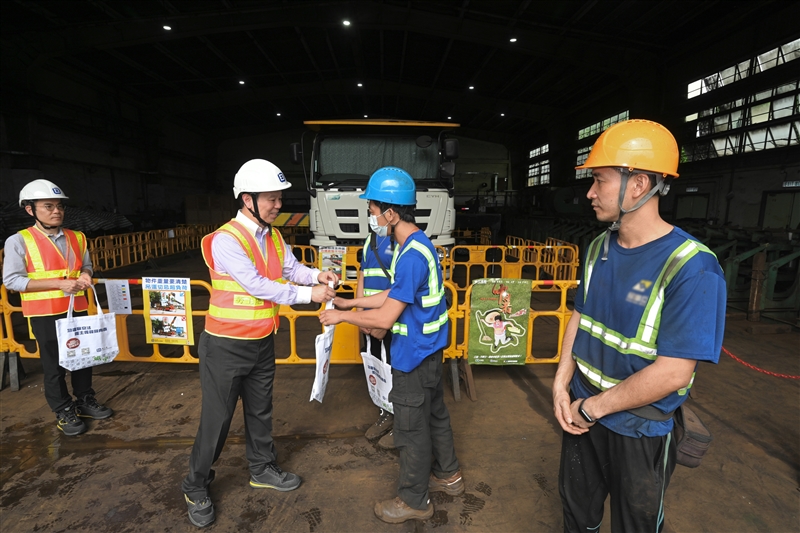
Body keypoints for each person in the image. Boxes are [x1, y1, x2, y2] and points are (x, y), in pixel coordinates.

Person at [551, 120, 726, 532]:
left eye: (598, 180)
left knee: (636, 524)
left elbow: (673, 372)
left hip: (639, 426)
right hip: (581, 408)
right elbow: (581, 314)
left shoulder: (692, 267)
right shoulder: (598, 247)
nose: (590, 193)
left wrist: (591, 409)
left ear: (638, 183)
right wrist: (561, 382)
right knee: (577, 514)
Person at [181, 159, 337, 528]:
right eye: (271, 199)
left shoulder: (273, 235)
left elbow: (289, 269)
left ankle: (262, 468)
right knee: (217, 421)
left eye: (279, 198)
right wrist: (308, 293)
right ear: (247, 199)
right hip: (225, 346)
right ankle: (195, 484)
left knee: (260, 411)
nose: (278, 205)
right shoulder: (226, 240)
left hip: (262, 341)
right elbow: (257, 284)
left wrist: (317, 274)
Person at [320, 166, 462, 524]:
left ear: (391, 213)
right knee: (435, 414)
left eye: (372, 210)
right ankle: (449, 475)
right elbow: (394, 295)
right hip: (429, 349)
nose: (371, 217)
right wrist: (352, 303)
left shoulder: (411, 255)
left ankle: (415, 500)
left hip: (414, 353)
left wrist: (341, 317)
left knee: (412, 428)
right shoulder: (413, 244)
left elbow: (385, 320)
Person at [2, 179, 113, 436]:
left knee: (83, 358)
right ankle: (63, 409)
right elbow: (12, 281)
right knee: (54, 366)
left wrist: (86, 275)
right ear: (30, 210)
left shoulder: (78, 237)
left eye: (59, 206)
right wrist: (59, 284)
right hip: (44, 313)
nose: (56, 211)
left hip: (77, 308)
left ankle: (85, 400)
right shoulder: (18, 241)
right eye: (48, 206)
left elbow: (86, 265)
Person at [357, 226, 396, 444]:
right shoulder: (370, 239)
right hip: (370, 321)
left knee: (393, 367)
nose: (371, 215)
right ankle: (385, 413)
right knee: (375, 367)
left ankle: (400, 421)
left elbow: (402, 287)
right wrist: (360, 314)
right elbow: (363, 275)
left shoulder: (400, 242)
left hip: (390, 321)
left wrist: (385, 321)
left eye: (373, 208)